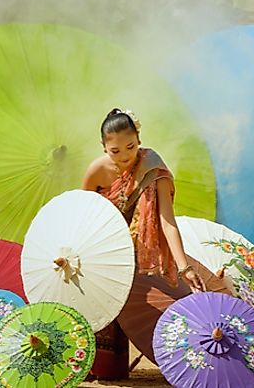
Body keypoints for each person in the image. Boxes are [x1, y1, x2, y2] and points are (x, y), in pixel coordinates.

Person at [82, 108, 206, 379]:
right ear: (103, 147)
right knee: (106, 371)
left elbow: (166, 222)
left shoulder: (153, 168)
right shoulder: (96, 172)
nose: (125, 156)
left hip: (139, 251)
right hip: (103, 249)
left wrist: (184, 267)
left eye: (131, 146)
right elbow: (84, 215)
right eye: (115, 151)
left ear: (139, 138)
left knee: (157, 304)